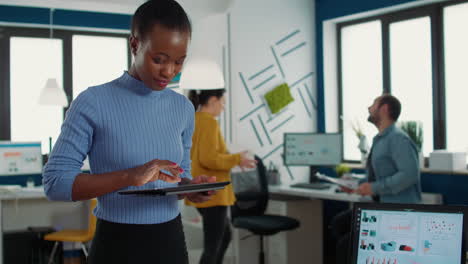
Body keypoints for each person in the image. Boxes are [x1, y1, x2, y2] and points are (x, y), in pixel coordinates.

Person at [42, 1, 215, 263]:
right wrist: (131, 175)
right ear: (134, 45)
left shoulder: (182, 108)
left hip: (171, 242)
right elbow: (55, 184)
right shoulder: (93, 102)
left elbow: (179, 175)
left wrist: (190, 188)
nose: (169, 71)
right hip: (116, 243)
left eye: (179, 62)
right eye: (159, 59)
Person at [331, 94, 421, 264]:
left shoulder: (398, 139)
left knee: (345, 246)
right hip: (380, 207)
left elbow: (409, 175)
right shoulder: (380, 139)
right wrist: (353, 184)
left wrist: (374, 188)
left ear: (384, 109)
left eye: (373, 104)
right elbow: (376, 176)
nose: (369, 108)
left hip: (397, 212)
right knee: (339, 223)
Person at [186, 89, 257, 264]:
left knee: (224, 236)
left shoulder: (195, 120)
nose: (224, 107)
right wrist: (236, 158)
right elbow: (209, 158)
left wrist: (236, 159)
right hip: (212, 191)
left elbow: (206, 155)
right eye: (223, 102)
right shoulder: (209, 122)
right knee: (213, 246)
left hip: (202, 189)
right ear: (212, 100)